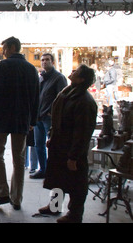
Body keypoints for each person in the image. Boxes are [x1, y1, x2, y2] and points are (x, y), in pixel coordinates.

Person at [39, 64, 98, 223]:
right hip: (60, 145)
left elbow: (83, 132)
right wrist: (52, 136)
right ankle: (55, 206)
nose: (72, 72)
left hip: (72, 149)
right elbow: (59, 119)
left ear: (81, 78)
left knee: (76, 184)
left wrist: (74, 156)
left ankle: (74, 215)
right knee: (58, 178)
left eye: (76, 71)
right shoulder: (69, 92)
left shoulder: (84, 101)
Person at [0, 36, 39, 210]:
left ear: (11, 47)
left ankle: (2, 193)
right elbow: (35, 97)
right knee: (19, 159)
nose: (3, 52)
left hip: (1, 118)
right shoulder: (31, 69)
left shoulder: (2, 66)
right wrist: (32, 120)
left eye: (4, 49)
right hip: (21, 119)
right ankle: (16, 199)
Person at [30, 53, 67, 179]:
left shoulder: (59, 78)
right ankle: (43, 170)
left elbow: (62, 98)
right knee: (38, 145)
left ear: (53, 62)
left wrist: (53, 112)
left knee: (53, 145)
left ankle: (54, 171)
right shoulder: (41, 77)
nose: (44, 62)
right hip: (39, 117)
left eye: (47, 60)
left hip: (49, 117)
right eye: (42, 60)